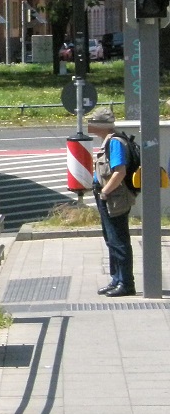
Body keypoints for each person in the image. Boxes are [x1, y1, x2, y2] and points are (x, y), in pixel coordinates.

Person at [87, 107, 136, 297]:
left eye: (92, 121)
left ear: (101, 126)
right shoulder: (108, 141)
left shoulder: (114, 142)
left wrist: (105, 192)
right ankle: (116, 279)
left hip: (114, 197)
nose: (89, 125)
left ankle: (126, 283)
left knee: (118, 240)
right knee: (111, 239)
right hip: (108, 195)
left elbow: (119, 171)